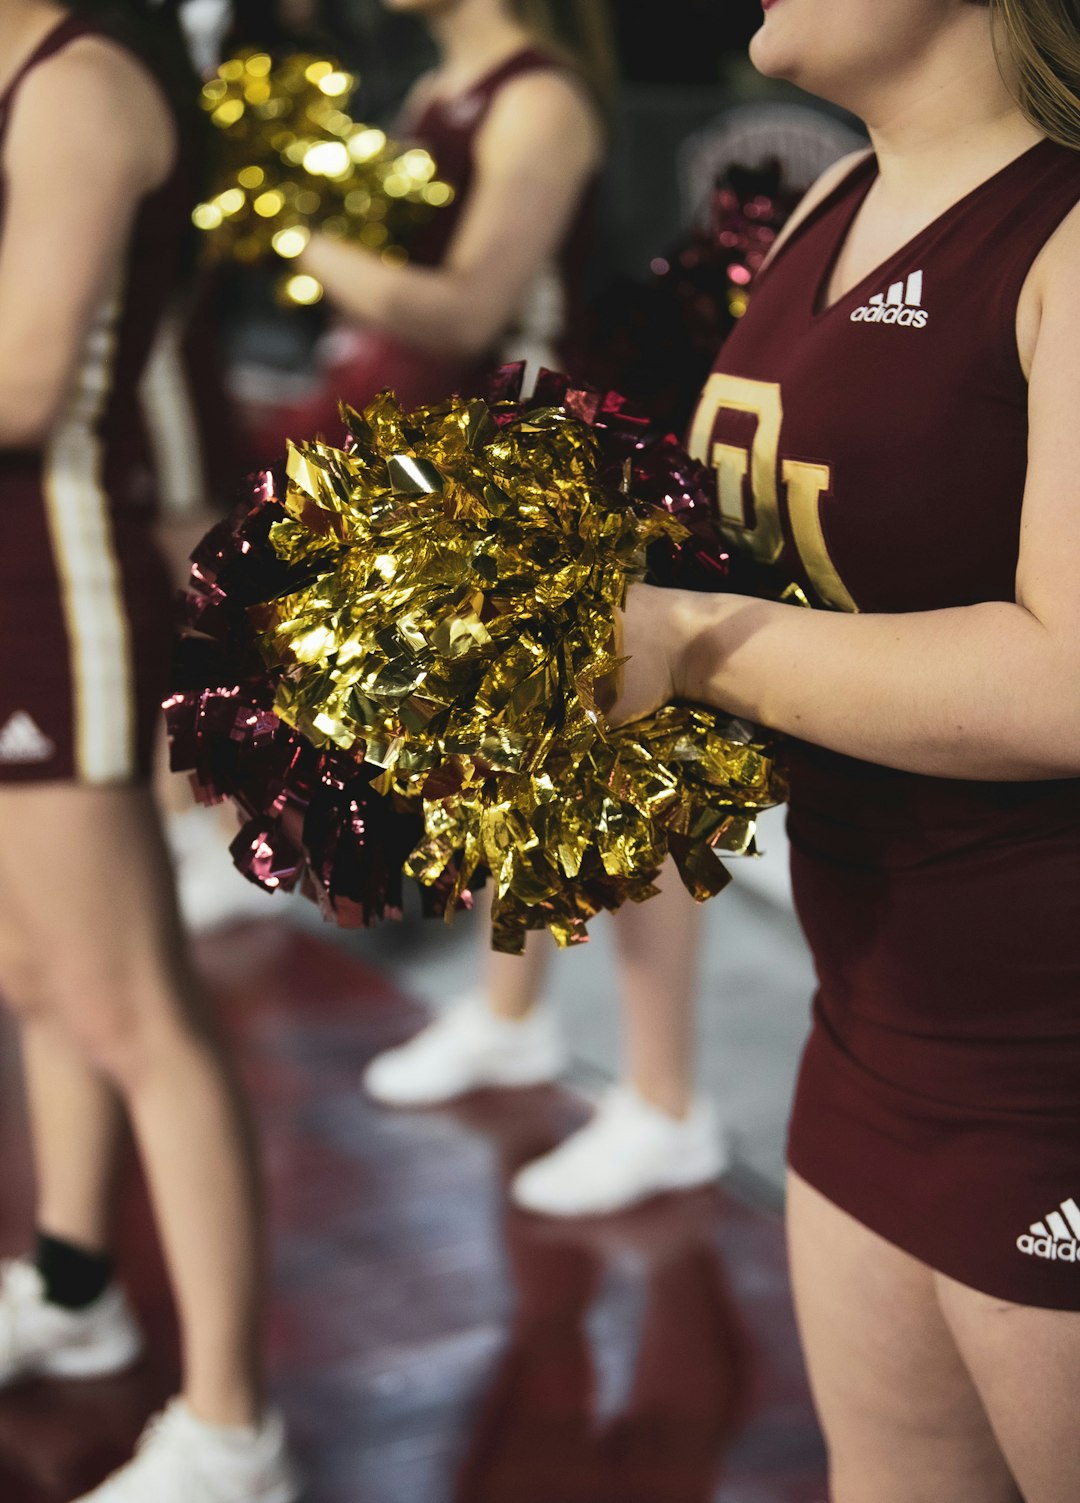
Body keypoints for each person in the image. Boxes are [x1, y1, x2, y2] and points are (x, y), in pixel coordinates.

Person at [609, 0, 1080, 1496]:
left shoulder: (1064, 233)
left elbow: (1071, 678)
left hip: (1051, 1062)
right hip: (868, 1020)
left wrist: (687, 641)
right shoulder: (835, 194)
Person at [319, 0, 723, 1219]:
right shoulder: (442, 83)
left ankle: (667, 1104)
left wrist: (304, 243)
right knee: (495, 754)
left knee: (618, 774)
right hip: (449, 459)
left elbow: (462, 309)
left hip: (546, 458)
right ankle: (512, 1019)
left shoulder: (538, 97)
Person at [0, 3, 298, 1499]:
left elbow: (22, 380)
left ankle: (234, 1427)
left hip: (49, 592)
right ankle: (68, 1280)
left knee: (134, 1007)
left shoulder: (87, 79)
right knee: (34, 973)